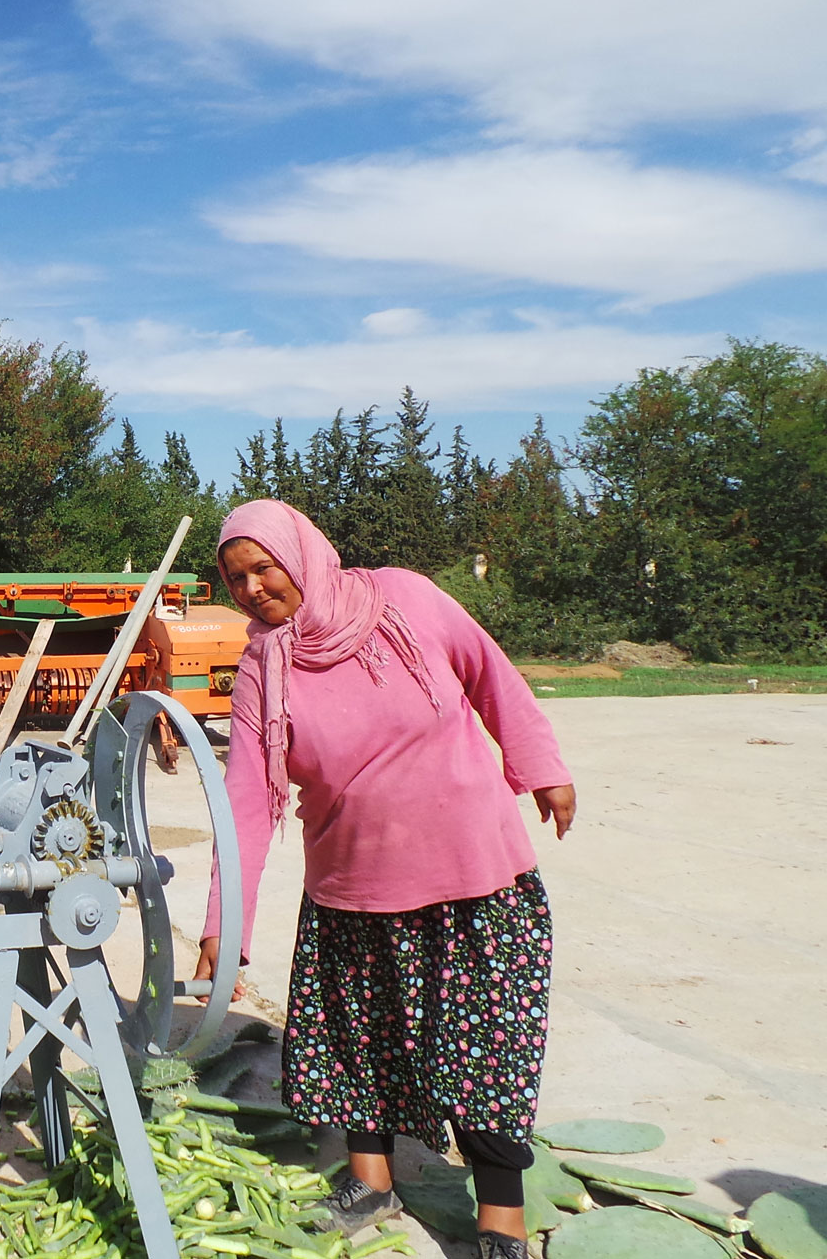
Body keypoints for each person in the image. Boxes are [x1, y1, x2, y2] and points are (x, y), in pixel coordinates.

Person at [195, 500, 577, 1259]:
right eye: (235, 579)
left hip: (475, 877)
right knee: (354, 1047)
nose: (252, 589)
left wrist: (540, 767)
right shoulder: (259, 670)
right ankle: (370, 1180)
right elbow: (244, 799)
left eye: (263, 568)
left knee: (486, 1056)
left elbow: (489, 673)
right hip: (352, 887)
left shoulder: (401, 597)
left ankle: (499, 1219)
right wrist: (222, 922)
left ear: (299, 554)